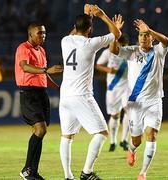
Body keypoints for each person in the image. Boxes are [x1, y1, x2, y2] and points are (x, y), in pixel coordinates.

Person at [59, 4, 121, 180]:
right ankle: (86, 173)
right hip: (81, 95)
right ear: (90, 29)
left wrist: (87, 17)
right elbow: (117, 34)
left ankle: (68, 176)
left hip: (65, 96)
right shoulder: (90, 43)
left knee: (67, 136)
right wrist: (101, 15)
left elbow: (77, 31)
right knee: (102, 133)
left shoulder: (65, 41)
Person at [109, 18, 168, 180]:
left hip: (154, 101)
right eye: (141, 35)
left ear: (152, 37)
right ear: (138, 38)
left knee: (152, 135)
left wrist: (149, 29)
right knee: (136, 139)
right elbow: (114, 50)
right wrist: (115, 32)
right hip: (135, 103)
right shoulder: (132, 51)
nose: (144, 37)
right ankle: (132, 150)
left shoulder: (159, 51)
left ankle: (143, 173)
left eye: (147, 35)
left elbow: (166, 40)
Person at [15, 22, 63, 180]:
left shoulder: (41, 50)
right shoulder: (24, 48)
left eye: (44, 33)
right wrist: (45, 70)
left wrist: (57, 87)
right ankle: (27, 169)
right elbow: (25, 67)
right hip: (29, 93)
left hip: (42, 93)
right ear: (30, 34)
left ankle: (33, 171)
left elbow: (44, 74)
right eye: (39, 33)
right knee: (40, 129)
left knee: (41, 132)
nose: (43, 36)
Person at [96, 34, 130, 152]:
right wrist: (109, 70)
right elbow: (98, 65)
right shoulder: (107, 53)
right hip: (113, 88)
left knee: (129, 111)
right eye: (120, 45)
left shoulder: (128, 53)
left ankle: (124, 140)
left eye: (124, 46)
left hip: (127, 86)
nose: (122, 48)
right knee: (115, 115)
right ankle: (113, 141)